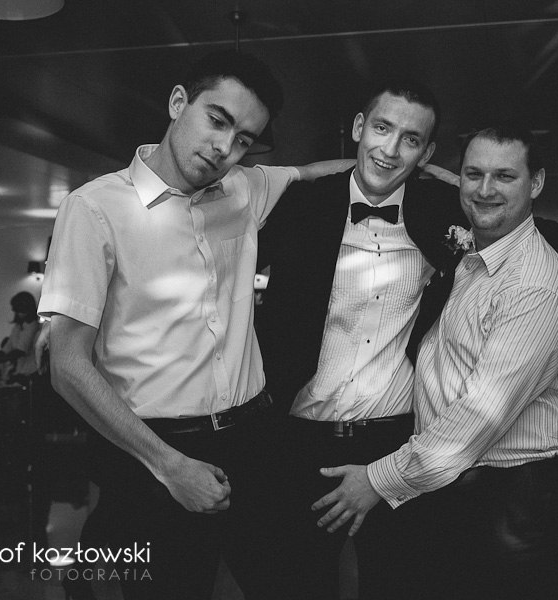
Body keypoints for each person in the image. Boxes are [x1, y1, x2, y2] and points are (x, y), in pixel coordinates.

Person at [257, 81, 558, 599]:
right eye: (381, 128)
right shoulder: (299, 205)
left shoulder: (443, 209)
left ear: (426, 154)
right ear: (359, 128)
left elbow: (542, 232)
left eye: (410, 139)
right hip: (302, 439)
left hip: (400, 440)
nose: (390, 149)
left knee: (399, 587)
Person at [38, 50, 345, 600]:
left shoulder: (244, 189)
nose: (225, 148)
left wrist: (433, 176)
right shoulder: (93, 209)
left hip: (256, 439)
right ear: (179, 102)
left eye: (244, 139)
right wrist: (170, 466)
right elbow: (67, 367)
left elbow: (321, 171)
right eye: (217, 120)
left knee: (298, 585)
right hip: (155, 451)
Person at [311, 123, 558, 599]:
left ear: (536, 183)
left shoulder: (535, 286)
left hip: (513, 505)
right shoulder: (474, 259)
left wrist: (376, 480)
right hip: (459, 492)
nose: (485, 189)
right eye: (473, 174)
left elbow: (478, 416)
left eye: (505, 176)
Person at [2, 291, 41, 378]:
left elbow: (20, 352)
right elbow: (7, 349)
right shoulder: (18, 327)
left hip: (32, 373)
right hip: (21, 371)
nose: (16, 313)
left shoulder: (33, 326)